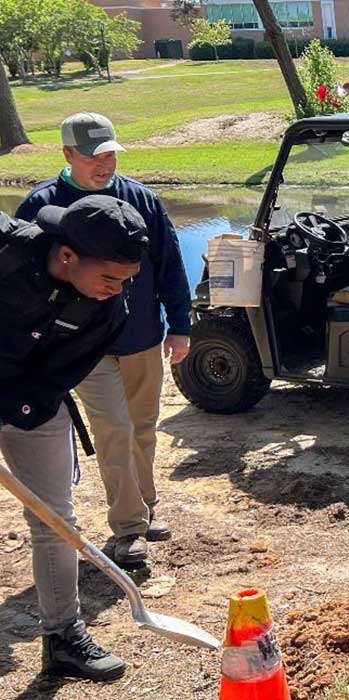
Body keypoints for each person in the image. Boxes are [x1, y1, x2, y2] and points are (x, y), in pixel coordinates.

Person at [15, 113, 191, 568]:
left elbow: (170, 263)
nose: (105, 163)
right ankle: (129, 527)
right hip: (81, 347)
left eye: (111, 153)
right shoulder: (42, 206)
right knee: (113, 428)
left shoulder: (141, 200)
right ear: (68, 154)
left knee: (143, 427)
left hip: (141, 336)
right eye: (94, 156)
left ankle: (146, 503)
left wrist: (182, 324)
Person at [1, 196, 148, 681]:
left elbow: (57, 375)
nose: (116, 290)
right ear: (67, 256)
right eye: (109, 279)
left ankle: (63, 636)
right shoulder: (7, 253)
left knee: (55, 518)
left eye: (125, 281)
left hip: (35, 405)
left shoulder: (107, 312)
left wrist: (18, 409)